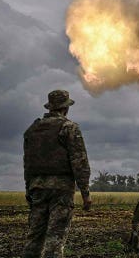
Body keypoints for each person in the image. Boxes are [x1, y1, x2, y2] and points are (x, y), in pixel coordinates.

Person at [23, 89, 92, 258]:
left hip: (37, 187)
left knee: (34, 236)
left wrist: (28, 189)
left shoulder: (32, 130)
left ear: (50, 107)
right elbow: (79, 162)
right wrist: (85, 193)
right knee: (55, 238)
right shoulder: (69, 128)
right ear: (65, 108)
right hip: (61, 189)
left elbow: (28, 163)